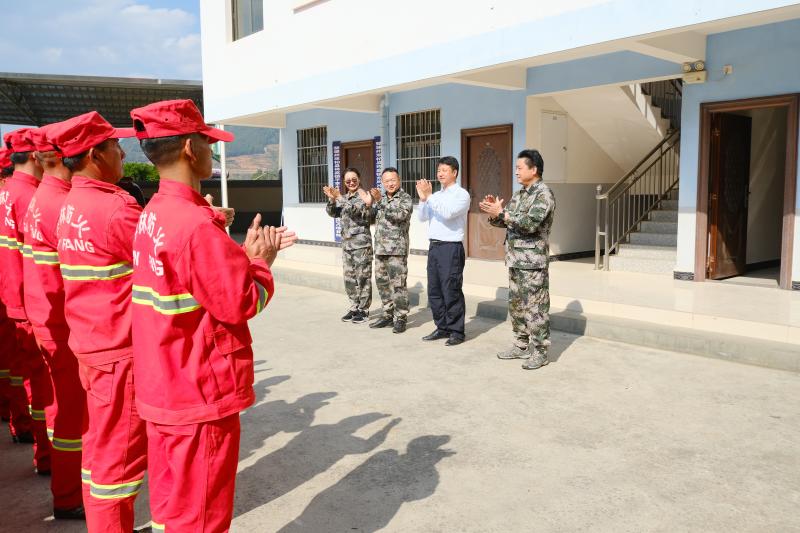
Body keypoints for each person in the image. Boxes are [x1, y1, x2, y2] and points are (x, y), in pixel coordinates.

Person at [129, 98, 297, 532]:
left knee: (171, 510)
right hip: (197, 394)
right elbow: (241, 302)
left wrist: (236, 254)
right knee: (201, 517)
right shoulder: (194, 225)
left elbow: (194, 283)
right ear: (190, 148)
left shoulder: (153, 214)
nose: (213, 152)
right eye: (208, 143)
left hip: (164, 386)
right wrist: (259, 262)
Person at [49, 111, 147, 533]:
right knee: (118, 460)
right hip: (118, 349)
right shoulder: (114, 208)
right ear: (94, 154)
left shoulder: (71, 202)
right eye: (115, 146)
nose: (122, 153)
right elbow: (165, 260)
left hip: (91, 342)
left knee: (99, 446)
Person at [22, 124, 87, 519]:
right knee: (72, 416)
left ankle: (64, 486)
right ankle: (69, 495)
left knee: (58, 408)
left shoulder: (41, 196)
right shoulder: (61, 205)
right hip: (62, 325)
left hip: (46, 318)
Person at [0, 128, 52, 473]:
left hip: (10, 296)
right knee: (42, 384)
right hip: (30, 302)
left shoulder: (6, 194)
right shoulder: (31, 197)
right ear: (35, 156)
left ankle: (23, 427)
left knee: (22, 374)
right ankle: (45, 454)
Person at [480, 149, 556, 370]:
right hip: (515, 260)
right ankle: (521, 345)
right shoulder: (519, 194)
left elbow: (530, 223)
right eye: (516, 168)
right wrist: (495, 213)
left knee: (535, 308)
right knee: (517, 306)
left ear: (534, 169)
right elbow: (507, 221)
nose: (516, 172)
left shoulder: (543, 194)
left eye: (519, 168)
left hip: (533, 263)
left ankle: (540, 351)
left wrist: (503, 213)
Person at [416, 156, 470, 346]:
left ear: (454, 172)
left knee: (451, 289)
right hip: (435, 247)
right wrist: (423, 199)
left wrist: (429, 197)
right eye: (439, 170)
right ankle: (442, 327)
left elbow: (448, 214)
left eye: (444, 170)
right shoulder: (436, 196)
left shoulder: (462, 195)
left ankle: (456, 331)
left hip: (451, 247)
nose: (440, 173)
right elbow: (422, 217)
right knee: (434, 289)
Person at [323, 167, 373, 324]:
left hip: (361, 245)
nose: (351, 183)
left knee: (363, 278)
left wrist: (339, 197)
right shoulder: (343, 198)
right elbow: (332, 213)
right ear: (344, 183)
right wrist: (332, 199)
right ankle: (354, 307)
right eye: (348, 181)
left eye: (354, 180)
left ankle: (364, 310)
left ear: (359, 179)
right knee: (349, 278)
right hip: (347, 245)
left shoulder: (363, 196)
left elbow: (356, 211)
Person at [368, 167, 413, 333]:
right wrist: (369, 204)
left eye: (393, 180)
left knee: (398, 285)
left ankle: (400, 317)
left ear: (399, 180)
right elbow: (371, 219)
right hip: (380, 249)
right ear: (382, 182)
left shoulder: (405, 198)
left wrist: (379, 201)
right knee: (382, 284)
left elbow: (399, 216)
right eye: (386, 181)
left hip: (396, 250)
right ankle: (387, 314)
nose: (390, 184)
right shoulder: (380, 198)